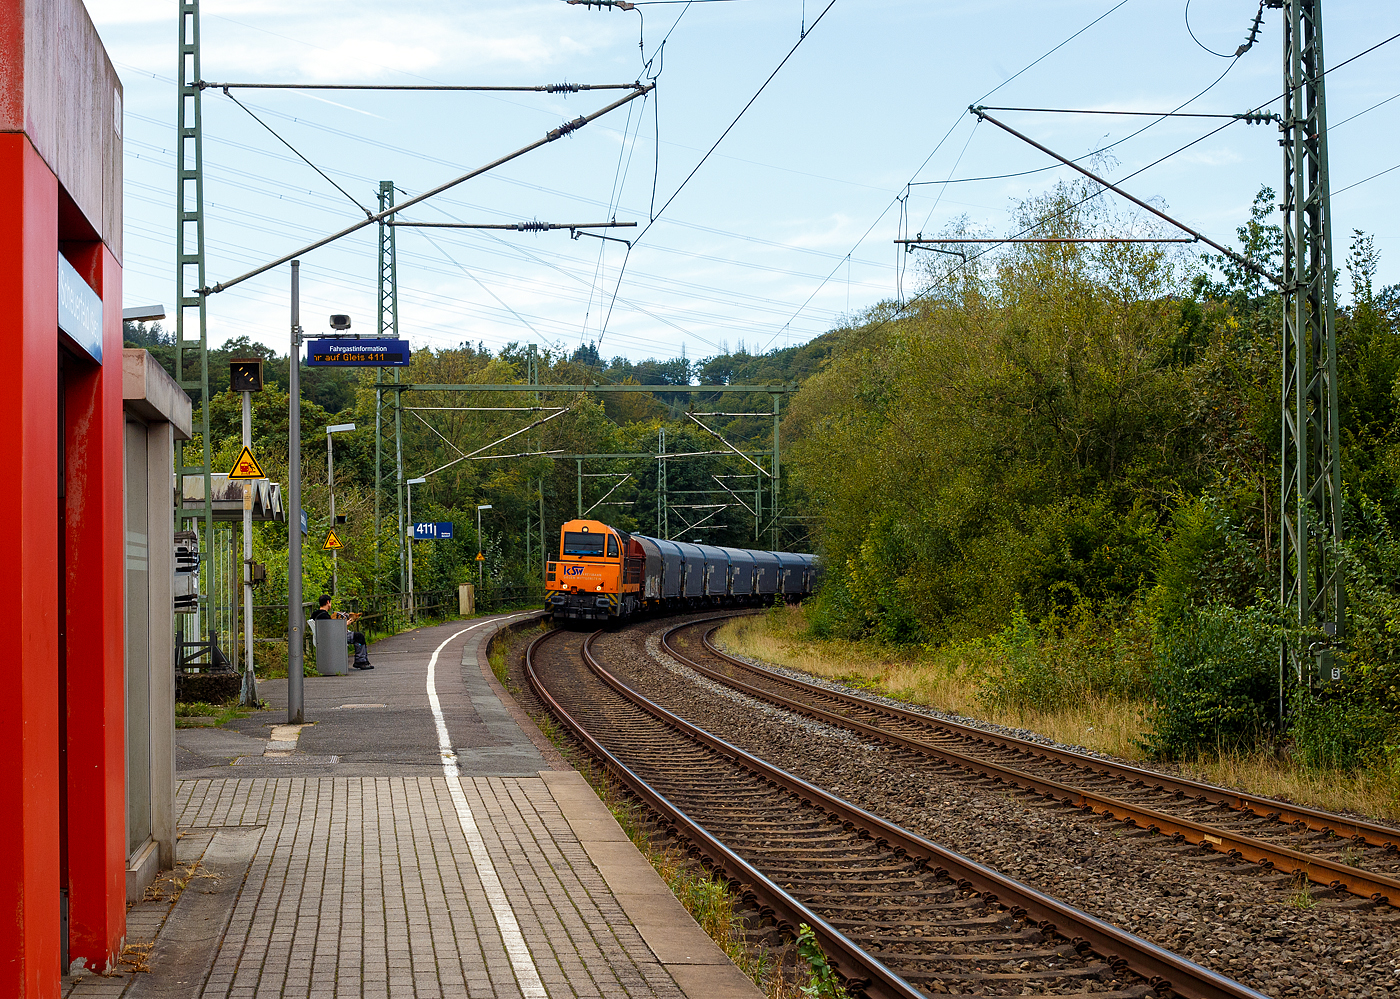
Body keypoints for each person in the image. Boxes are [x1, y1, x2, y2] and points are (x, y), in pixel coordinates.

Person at [311, 594, 373, 669]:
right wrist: (345, 624)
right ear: (328, 602)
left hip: (323, 637)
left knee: (357, 635)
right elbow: (332, 630)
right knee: (359, 636)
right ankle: (361, 661)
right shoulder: (325, 616)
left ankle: (362, 660)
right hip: (333, 638)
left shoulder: (315, 614)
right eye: (330, 602)